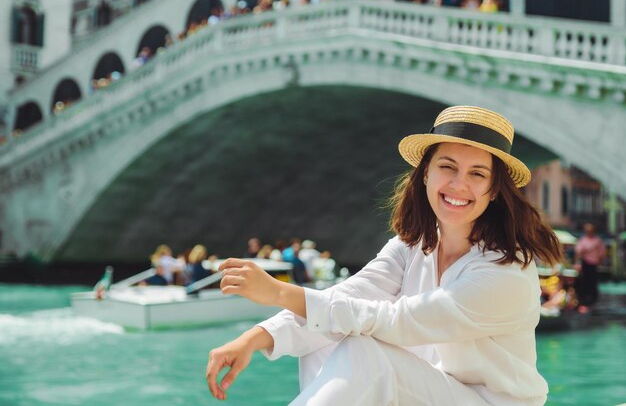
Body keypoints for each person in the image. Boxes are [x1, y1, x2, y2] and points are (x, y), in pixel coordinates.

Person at [205, 106, 562, 405]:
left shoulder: (506, 271)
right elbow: (344, 299)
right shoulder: (413, 246)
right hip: (434, 392)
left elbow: (397, 320)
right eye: (447, 167)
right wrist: (254, 338)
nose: (458, 185)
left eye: (477, 174)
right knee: (328, 333)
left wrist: (279, 293)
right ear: (425, 174)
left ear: (494, 190)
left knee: (360, 347)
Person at [574, 222, 606, 312]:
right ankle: (583, 300)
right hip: (585, 264)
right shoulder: (583, 240)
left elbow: (602, 254)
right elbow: (578, 252)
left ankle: (591, 300)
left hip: (593, 265)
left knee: (592, 283)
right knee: (584, 283)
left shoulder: (598, 241)